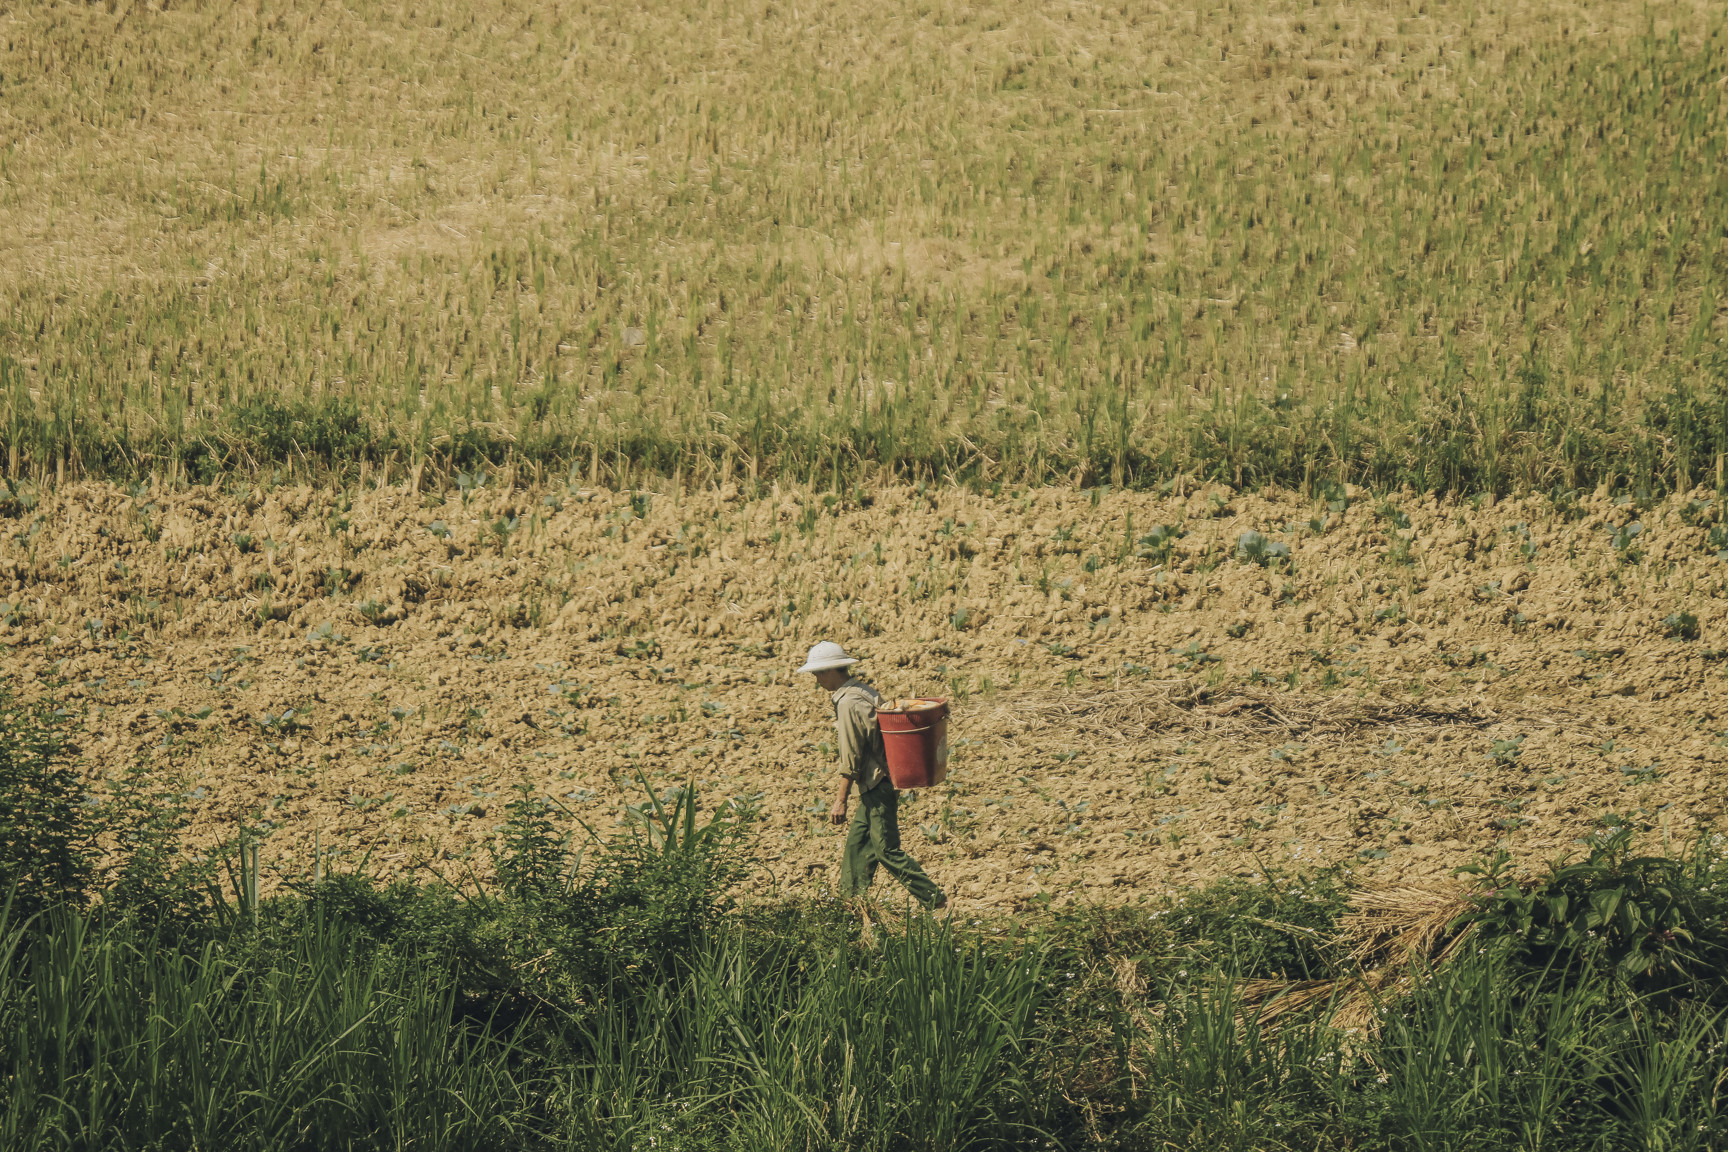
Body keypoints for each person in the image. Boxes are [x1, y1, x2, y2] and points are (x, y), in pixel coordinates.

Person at [797, 641, 946, 910]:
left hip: (877, 784)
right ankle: (850, 905)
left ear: (832, 671)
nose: (816, 680)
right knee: (857, 845)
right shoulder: (862, 691)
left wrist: (840, 799)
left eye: (818, 673)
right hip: (878, 782)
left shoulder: (848, 703)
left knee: (886, 850)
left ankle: (935, 901)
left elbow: (851, 756)